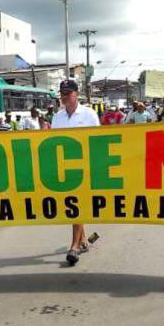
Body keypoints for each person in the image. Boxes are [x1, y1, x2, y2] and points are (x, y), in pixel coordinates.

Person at [50, 80, 100, 265]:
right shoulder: (57, 117)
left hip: (85, 167)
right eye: (62, 93)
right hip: (65, 169)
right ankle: (84, 240)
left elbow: (98, 142)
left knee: (75, 205)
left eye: (68, 93)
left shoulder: (89, 114)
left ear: (76, 94)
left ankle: (74, 246)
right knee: (73, 204)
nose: (65, 97)